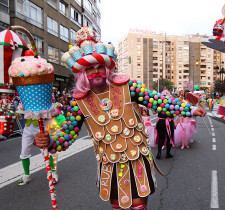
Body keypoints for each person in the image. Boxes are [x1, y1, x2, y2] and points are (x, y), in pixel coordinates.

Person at [35, 26, 206, 210]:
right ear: (83, 73)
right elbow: (68, 133)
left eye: (100, 66)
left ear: (107, 68)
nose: (97, 72)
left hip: (137, 159)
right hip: (109, 165)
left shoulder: (127, 86)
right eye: (90, 69)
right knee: (117, 205)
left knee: (139, 205)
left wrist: (189, 109)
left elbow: (158, 102)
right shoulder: (79, 102)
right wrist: (50, 141)